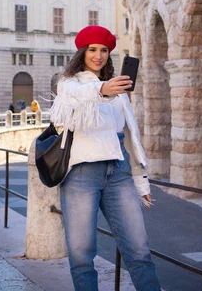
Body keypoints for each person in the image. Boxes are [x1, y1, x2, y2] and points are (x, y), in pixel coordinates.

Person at [50, 25, 160, 291]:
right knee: (81, 254)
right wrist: (102, 91)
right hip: (81, 175)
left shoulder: (119, 91)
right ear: (81, 53)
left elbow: (130, 136)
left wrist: (141, 182)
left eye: (103, 50)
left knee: (139, 250)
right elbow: (71, 100)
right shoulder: (68, 83)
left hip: (119, 172)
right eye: (92, 50)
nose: (98, 56)